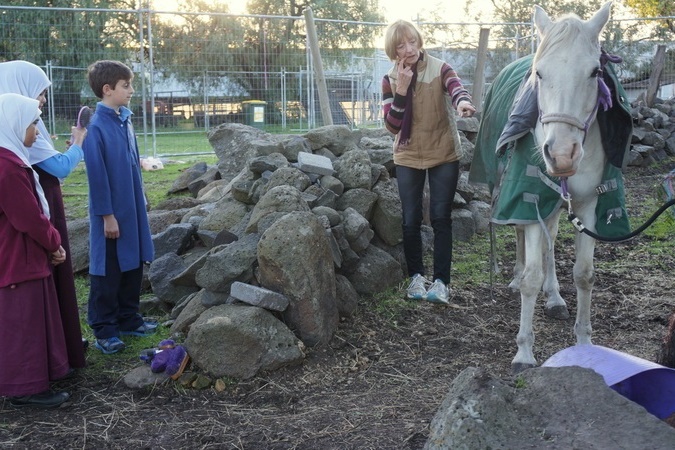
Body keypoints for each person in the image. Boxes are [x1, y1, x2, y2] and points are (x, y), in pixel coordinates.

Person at [0, 60, 88, 370]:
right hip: (31, 224)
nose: (44, 100)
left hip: (37, 215)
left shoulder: (22, 124)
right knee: (29, 300)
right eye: (41, 92)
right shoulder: (16, 124)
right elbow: (60, 168)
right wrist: (78, 144)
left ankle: (56, 349)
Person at [382, 20, 476, 305]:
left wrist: (462, 102)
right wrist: (402, 88)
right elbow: (392, 126)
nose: (409, 49)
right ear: (393, 50)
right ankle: (416, 277)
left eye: (412, 41)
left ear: (419, 41)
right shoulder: (389, 78)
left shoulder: (440, 67)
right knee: (410, 220)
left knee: (440, 218)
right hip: (408, 154)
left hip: (443, 152)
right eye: (401, 45)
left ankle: (441, 282)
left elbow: (456, 87)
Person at [0, 93, 71, 408]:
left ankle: (35, 379)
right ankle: (23, 389)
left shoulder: (10, 159)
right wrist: (54, 242)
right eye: (32, 124)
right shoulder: (8, 167)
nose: (37, 132)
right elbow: (29, 218)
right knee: (22, 321)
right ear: (13, 124)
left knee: (29, 318)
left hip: (23, 254)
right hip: (17, 256)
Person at [82, 60, 156, 354]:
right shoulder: (96, 127)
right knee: (108, 269)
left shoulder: (125, 120)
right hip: (111, 214)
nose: (131, 90)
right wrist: (107, 216)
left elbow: (132, 165)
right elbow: (97, 177)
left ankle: (129, 318)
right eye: (126, 86)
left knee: (133, 263)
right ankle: (105, 328)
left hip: (132, 208)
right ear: (107, 89)